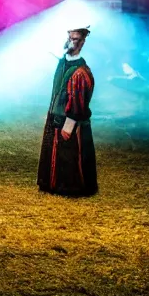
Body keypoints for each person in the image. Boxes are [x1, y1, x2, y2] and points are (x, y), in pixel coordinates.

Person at [37, 26, 97, 197]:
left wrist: (69, 125)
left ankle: (69, 187)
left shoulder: (81, 72)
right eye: (70, 37)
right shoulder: (62, 63)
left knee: (70, 155)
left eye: (76, 39)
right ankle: (50, 184)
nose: (71, 41)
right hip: (55, 117)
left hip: (68, 121)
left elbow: (79, 102)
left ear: (83, 42)